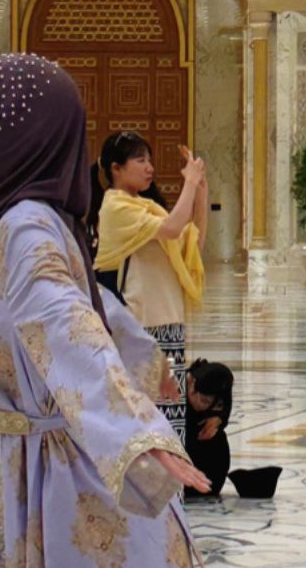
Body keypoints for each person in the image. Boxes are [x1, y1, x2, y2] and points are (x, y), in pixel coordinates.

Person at [0, 53, 208, 567]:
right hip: (44, 462)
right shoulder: (26, 219)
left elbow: (65, 317)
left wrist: (135, 430)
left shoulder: (25, 226)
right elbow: (85, 296)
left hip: (69, 480)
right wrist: (143, 356)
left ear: (21, 131)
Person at [90, 131, 209, 440]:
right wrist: (189, 184)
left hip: (168, 321)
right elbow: (172, 228)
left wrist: (200, 191)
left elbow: (192, 244)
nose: (149, 168)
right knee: (144, 420)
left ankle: (173, 474)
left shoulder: (146, 207)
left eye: (149, 160)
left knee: (170, 420)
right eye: (140, 160)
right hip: (141, 325)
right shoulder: (115, 207)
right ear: (116, 168)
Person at [185, 358, 233, 497]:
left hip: (202, 447)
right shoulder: (176, 386)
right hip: (177, 447)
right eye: (203, 401)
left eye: (209, 403)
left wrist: (218, 419)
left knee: (217, 437)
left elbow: (225, 409)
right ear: (192, 384)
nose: (204, 407)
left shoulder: (221, 387)